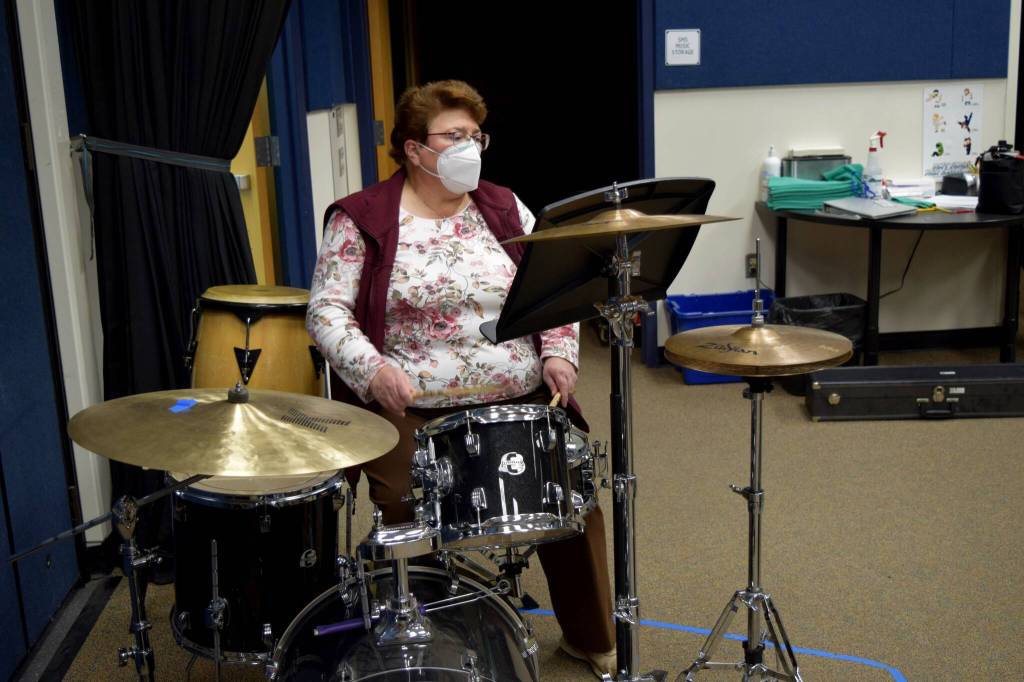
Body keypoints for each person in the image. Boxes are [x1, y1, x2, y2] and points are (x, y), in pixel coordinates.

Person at [306, 79, 615, 678]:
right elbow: (326, 310)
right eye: (455, 136)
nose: (470, 148)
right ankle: (402, 642)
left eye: (476, 136)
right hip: (410, 407)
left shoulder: (503, 205)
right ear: (415, 149)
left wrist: (558, 353)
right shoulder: (363, 218)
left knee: (572, 489)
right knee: (398, 501)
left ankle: (590, 635)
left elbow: (556, 288)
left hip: (519, 397)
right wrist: (373, 371)